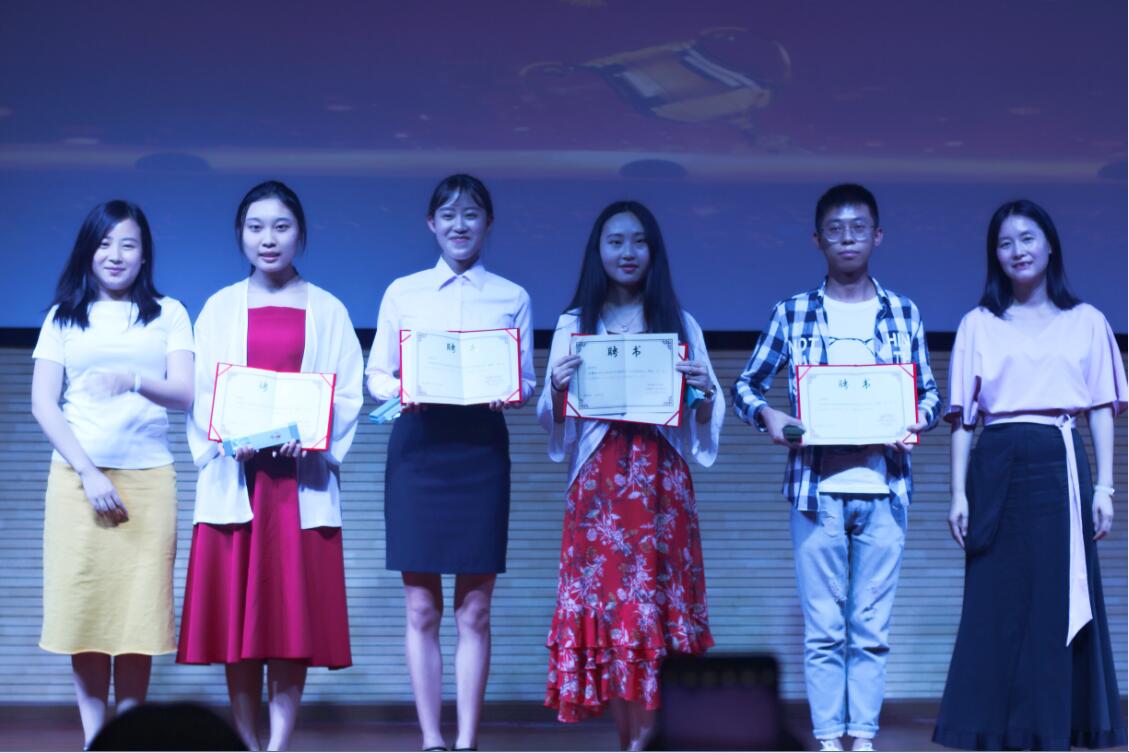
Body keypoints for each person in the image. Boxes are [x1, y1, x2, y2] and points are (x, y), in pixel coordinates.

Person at [732, 184, 939, 752]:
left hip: (884, 487)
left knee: (870, 627)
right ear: (817, 239)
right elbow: (746, 386)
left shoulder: (904, 312)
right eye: (835, 229)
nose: (847, 238)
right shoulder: (792, 311)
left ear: (878, 236)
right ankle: (828, 739)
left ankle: (863, 738)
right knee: (824, 629)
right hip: (815, 489)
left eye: (858, 228)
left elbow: (930, 394)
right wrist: (769, 416)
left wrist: (914, 419)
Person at [932, 200, 1126, 750]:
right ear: (994, 255)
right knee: (993, 602)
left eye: (1027, 238)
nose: (1017, 251)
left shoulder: (1087, 321)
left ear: (1050, 245)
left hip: (1058, 461)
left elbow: (1101, 410)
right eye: (1005, 242)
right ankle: (989, 729)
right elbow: (963, 421)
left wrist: (1105, 487)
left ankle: (1052, 725)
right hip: (995, 464)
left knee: (1056, 599)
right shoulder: (978, 323)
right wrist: (957, 494)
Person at [177, 180, 363, 752]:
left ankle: (279, 743)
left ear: (300, 234)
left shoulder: (328, 309)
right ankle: (246, 740)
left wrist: (313, 438)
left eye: (281, 227)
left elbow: (346, 394)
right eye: (256, 227)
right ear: (240, 235)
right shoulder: (219, 307)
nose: (268, 239)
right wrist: (226, 438)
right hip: (239, 480)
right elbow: (201, 392)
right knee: (238, 621)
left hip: (296, 485)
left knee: (290, 621)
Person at [538, 200, 723, 751]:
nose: (627, 252)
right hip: (598, 489)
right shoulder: (574, 325)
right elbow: (553, 421)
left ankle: (645, 741)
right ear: (598, 250)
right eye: (615, 241)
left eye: (639, 241)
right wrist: (558, 388)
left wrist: (704, 392)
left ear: (653, 251)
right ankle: (630, 740)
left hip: (661, 486)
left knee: (652, 616)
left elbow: (703, 421)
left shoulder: (680, 323)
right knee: (613, 619)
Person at [366, 174, 535, 752]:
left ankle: (466, 741)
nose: (459, 225)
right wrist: (402, 387)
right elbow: (376, 375)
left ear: (488, 223)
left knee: (475, 610)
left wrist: (510, 391)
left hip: (480, 450)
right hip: (419, 450)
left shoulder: (512, 296)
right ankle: (431, 738)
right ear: (431, 224)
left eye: (471, 214)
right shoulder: (403, 292)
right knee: (420, 607)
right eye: (448, 214)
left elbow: (525, 382)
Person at [30, 200, 194, 748]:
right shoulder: (63, 317)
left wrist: (134, 379)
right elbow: (43, 403)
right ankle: (95, 740)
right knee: (86, 613)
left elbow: (185, 393)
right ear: (88, 251)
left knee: (137, 617)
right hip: (77, 482)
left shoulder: (168, 313)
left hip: (149, 481)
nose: (115, 255)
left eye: (128, 244)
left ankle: (128, 737)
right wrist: (89, 472)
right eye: (104, 243)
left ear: (144, 254)